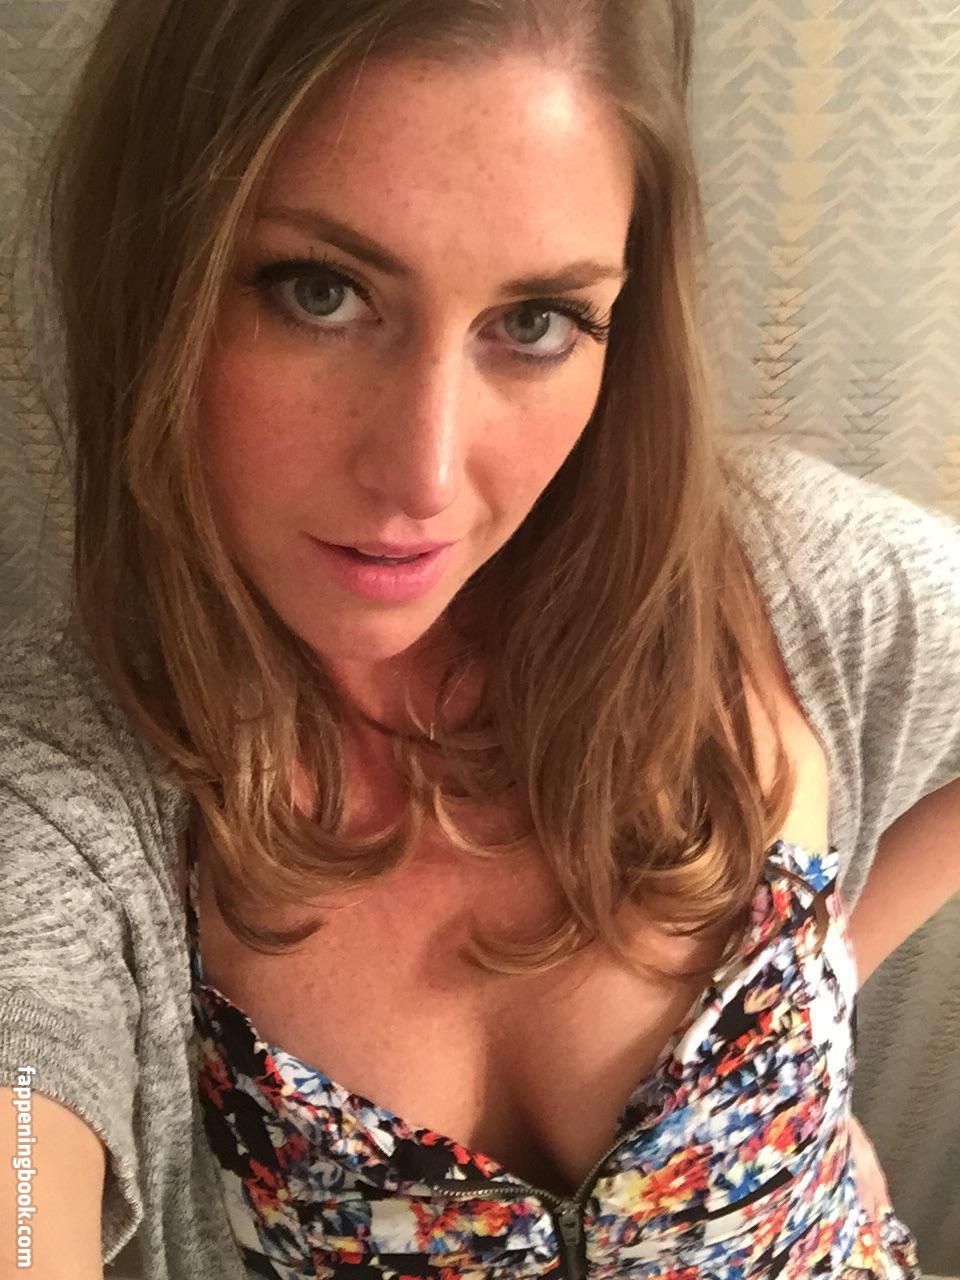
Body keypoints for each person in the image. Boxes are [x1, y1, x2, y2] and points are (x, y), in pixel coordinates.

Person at [1, 1, 958, 1277]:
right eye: (321, 292)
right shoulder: (62, 796)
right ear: (155, 281)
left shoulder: (794, 589)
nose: (427, 474)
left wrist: (822, 982)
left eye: (538, 320)